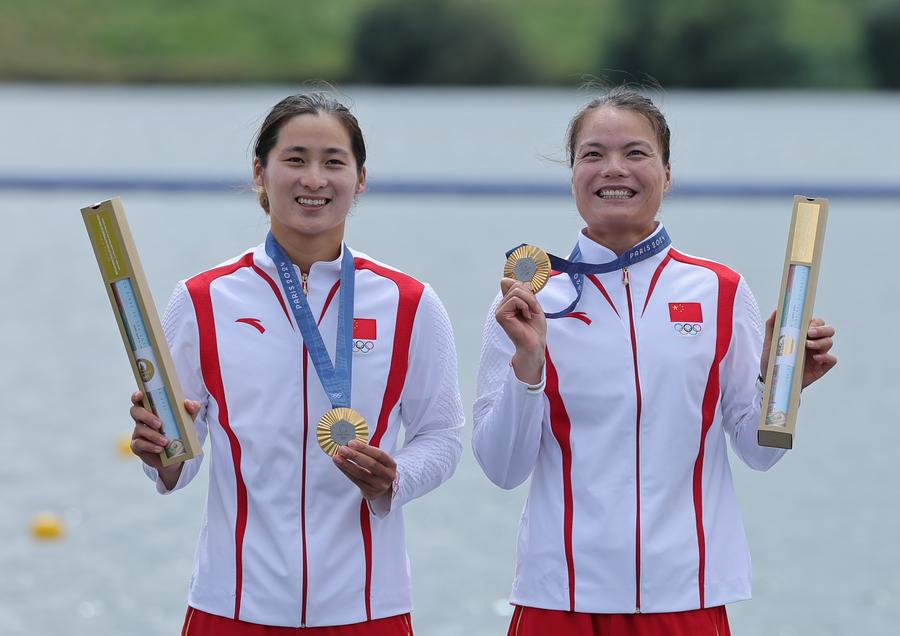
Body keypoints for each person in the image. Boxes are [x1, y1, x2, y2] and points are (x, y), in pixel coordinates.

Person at [472, 86, 837, 636]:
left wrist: (780, 385)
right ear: (572, 173)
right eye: (592, 154)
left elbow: (757, 454)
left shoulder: (720, 290)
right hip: (559, 596)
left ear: (667, 174)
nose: (612, 169)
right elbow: (502, 469)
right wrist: (529, 367)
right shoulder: (527, 298)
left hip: (686, 596)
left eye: (635, 153)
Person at [128, 92, 464, 635]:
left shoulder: (410, 303)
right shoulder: (202, 300)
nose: (314, 179)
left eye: (334, 161)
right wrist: (161, 452)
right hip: (232, 606)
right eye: (295, 159)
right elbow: (177, 459)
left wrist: (393, 478)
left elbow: (443, 435)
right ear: (261, 173)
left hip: (367, 611)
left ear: (360, 179)